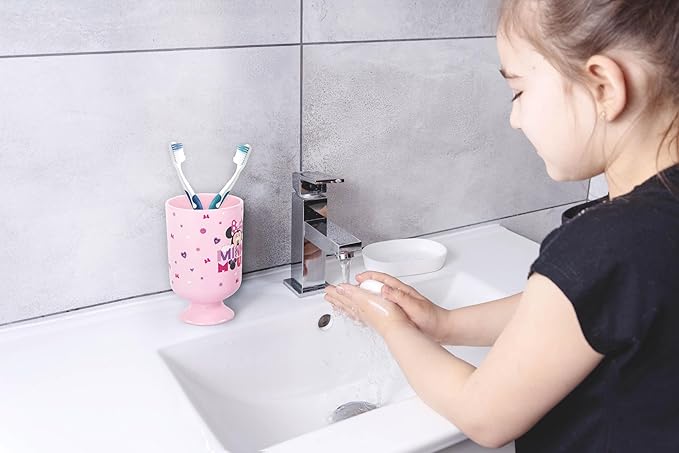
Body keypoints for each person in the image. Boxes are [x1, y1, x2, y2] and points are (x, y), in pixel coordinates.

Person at [324, 1, 679, 451]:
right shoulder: (649, 223)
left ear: (603, 87)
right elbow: (575, 314)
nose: (515, 119)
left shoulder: (608, 244)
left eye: (519, 91)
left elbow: (483, 415)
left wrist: (392, 327)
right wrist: (445, 324)